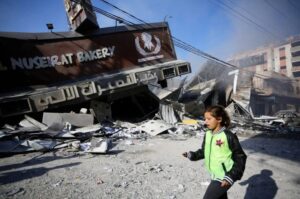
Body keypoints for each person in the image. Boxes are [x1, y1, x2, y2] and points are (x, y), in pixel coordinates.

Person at [183, 105, 247, 199]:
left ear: (219, 119)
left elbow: (240, 157)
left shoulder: (228, 136)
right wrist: (192, 155)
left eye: (209, 119)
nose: (206, 122)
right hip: (214, 174)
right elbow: (205, 151)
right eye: (205, 119)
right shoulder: (208, 134)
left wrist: (231, 176)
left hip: (225, 176)